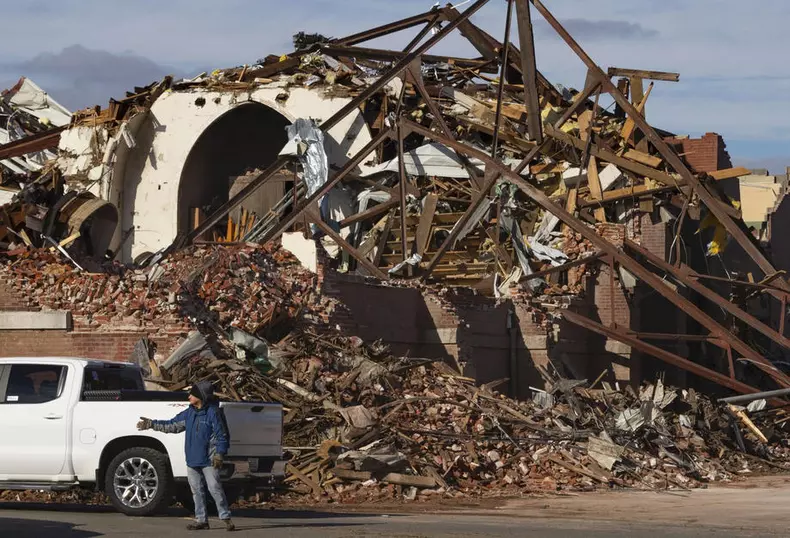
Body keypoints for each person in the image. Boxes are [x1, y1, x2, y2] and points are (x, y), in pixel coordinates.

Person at [137, 381, 235, 532]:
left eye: (192, 394)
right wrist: (151, 424)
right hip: (192, 459)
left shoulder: (213, 413)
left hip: (209, 459)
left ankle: (225, 517)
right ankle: (201, 520)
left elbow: (221, 435)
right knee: (196, 491)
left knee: (214, 488)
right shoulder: (189, 413)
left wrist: (219, 454)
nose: (189, 396)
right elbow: (172, 425)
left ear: (201, 396)